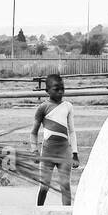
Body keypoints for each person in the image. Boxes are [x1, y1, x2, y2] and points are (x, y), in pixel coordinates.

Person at [31, 73, 78, 205]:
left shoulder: (68, 106)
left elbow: (72, 131)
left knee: (65, 186)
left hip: (64, 152)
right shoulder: (42, 108)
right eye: (56, 89)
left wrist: (75, 153)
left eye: (62, 88)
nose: (60, 92)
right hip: (47, 153)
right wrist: (34, 151)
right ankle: (38, 214)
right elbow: (33, 132)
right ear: (47, 91)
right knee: (44, 186)